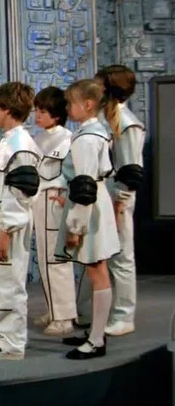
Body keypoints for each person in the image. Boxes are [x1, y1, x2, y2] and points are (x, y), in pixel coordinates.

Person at [0, 82, 41, 360]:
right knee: (2, 280)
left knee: (9, 282)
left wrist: (5, 231)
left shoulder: (20, 146)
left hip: (9, 221)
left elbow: (20, 194)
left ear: (7, 110)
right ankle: (6, 336)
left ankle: (12, 344)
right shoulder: (8, 141)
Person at [55, 79, 119, 360]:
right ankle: (96, 330)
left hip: (90, 207)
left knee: (96, 269)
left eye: (71, 103)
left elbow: (84, 186)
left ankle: (96, 339)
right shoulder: (94, 132)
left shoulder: (87, 138)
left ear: (88, 104)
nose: (68, 108)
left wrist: (75, 228)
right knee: (95, 268)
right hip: (96, 202)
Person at [85, 65, 144, 337]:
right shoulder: (103, 119)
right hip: (101, 196)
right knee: (98, 254)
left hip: (117, 198)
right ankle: (95, 312)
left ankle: (123, 315)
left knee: (121, 257)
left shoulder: (127, 123)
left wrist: (120, 203)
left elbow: (131, 169)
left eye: (98, 85)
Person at [32, 87, 76, 336]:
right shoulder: (38, 138)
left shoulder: (67, 138)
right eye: (36, 110)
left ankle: (65, 316)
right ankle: (53, 309)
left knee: (56, 259)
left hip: (55, 198)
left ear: (57, 114)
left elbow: (71, 172)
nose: (37, 115)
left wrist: (65, 197)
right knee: (44, 258)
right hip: (39, 198)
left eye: (43, 111)